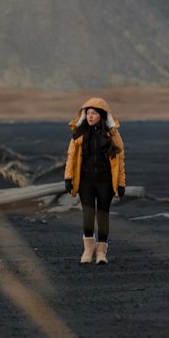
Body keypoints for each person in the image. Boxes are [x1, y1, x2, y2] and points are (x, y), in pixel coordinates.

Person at [64, 97, 126, 265]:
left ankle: (101, 252)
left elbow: (120, 160)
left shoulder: (112, 134)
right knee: (88, 214)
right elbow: (71, 157)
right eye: (88, 113)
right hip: (86, 181)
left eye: (94, 113)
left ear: (102, 116)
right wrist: (68, 178)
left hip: (105, 181)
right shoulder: (79, 134)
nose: (90, 116)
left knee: (103, 215)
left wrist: (120, 184)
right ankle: (88, 249)